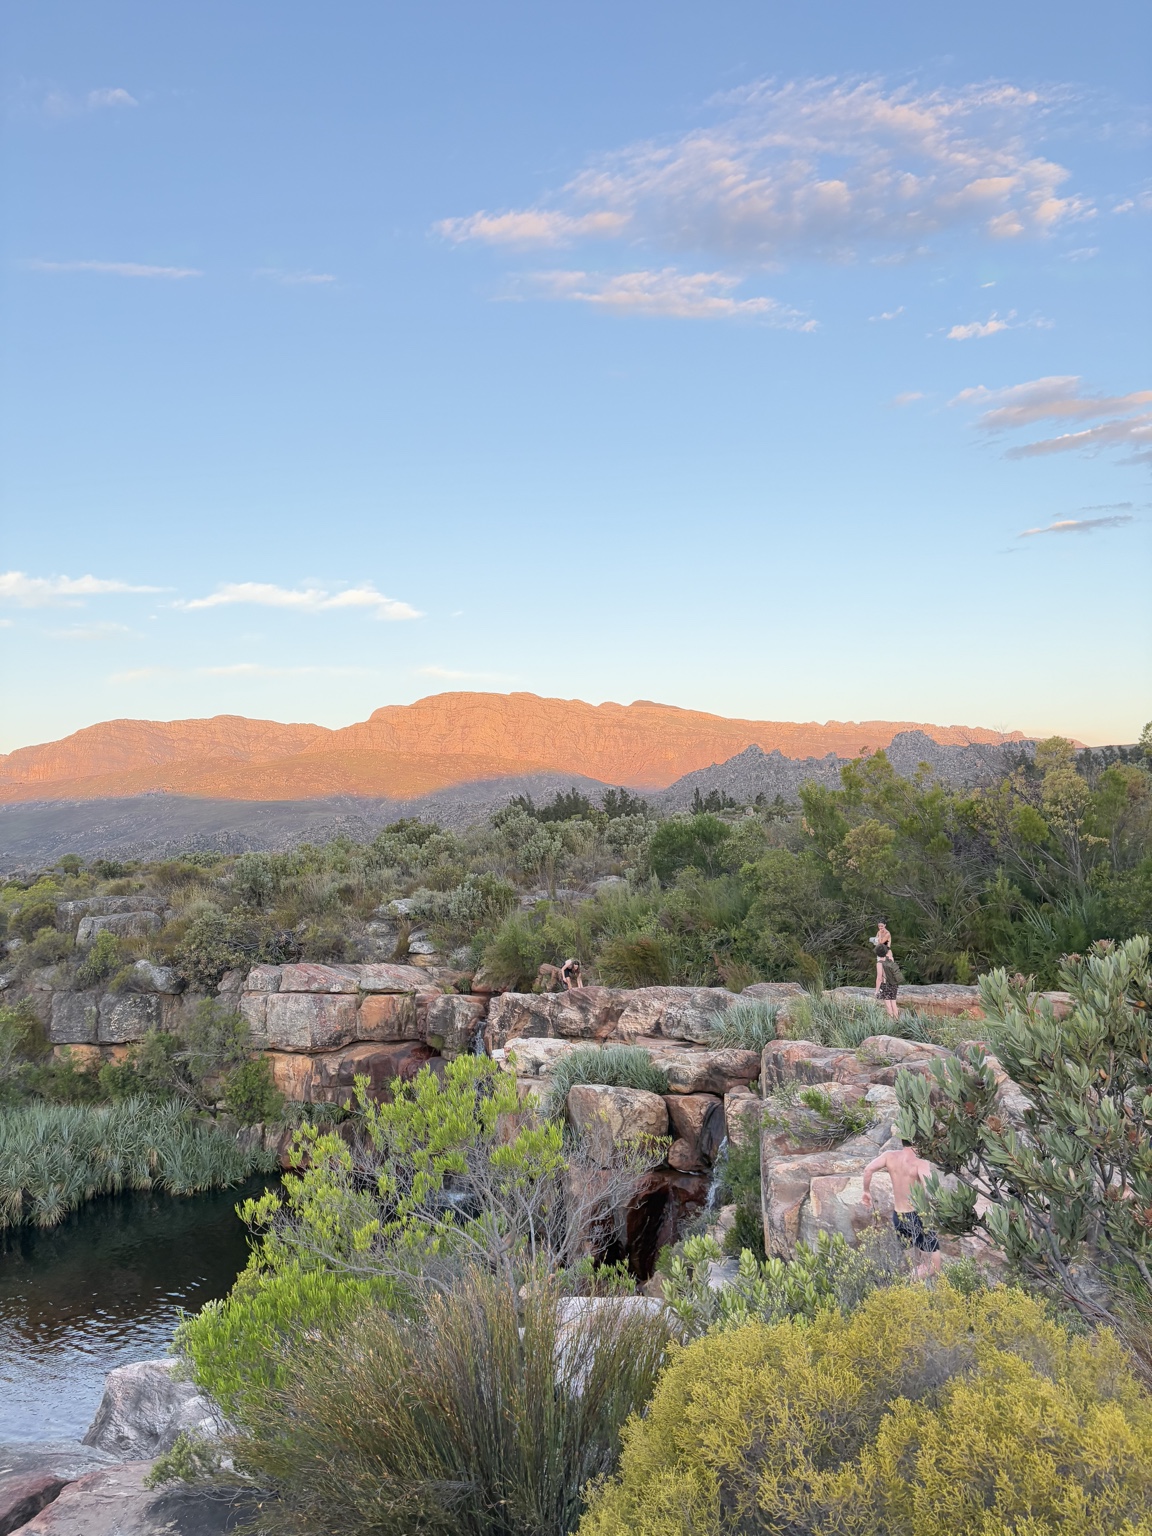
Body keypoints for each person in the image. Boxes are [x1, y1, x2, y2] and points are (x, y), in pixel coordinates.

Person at [860, 1137, 942, 1278]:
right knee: (934, 1267)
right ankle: (910, 1285)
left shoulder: (889, 1156)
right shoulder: (920, 1162)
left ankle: (911, 1292)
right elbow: (930, 1189)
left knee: (916, 1264)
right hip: (917, 1216)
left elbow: (868, 1170)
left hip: (898, 1217)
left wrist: (866, 1191)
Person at [871, 921, 900, 1022]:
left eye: (882, 926)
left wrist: (876, 990)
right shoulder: (890, 960)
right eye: (879, 926)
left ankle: (891, 1023)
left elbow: (879, 977)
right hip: (894, 983)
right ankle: (897, 1022)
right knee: (893, 1002)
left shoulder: (880, 962)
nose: (880, 928)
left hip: (886, 983)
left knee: (888, 1004)